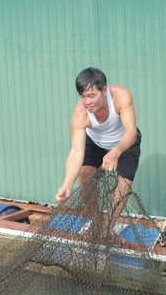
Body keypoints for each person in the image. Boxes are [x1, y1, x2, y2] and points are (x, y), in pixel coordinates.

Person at [55, 68, 141, 218]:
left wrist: (116, 152)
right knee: (84, 174)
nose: (87, 102)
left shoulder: (121, 96)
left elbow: (131, 132)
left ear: (104, 90)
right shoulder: (80, 114)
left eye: (92, 96)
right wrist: (66, 186)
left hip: (124, 142)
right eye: (82, 97)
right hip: (95, 141)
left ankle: (108, 227)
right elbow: (76, 151)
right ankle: (96, 220)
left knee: (123, 185)